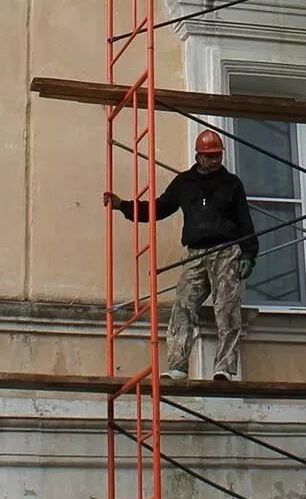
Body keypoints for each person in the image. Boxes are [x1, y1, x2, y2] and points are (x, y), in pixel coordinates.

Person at [103, 129, 258, 380]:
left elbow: (245, 222)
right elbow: (158, 208)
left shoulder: (231, 184)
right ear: (198, 156)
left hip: (226, 251)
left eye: (218, 156)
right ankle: (177, 366)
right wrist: (124, 206)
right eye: (209, 156)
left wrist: (250, 254)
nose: (215, 161)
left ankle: (225, 369)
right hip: (195, 254)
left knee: (227, 309)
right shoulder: (185, 183)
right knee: (183, 306)